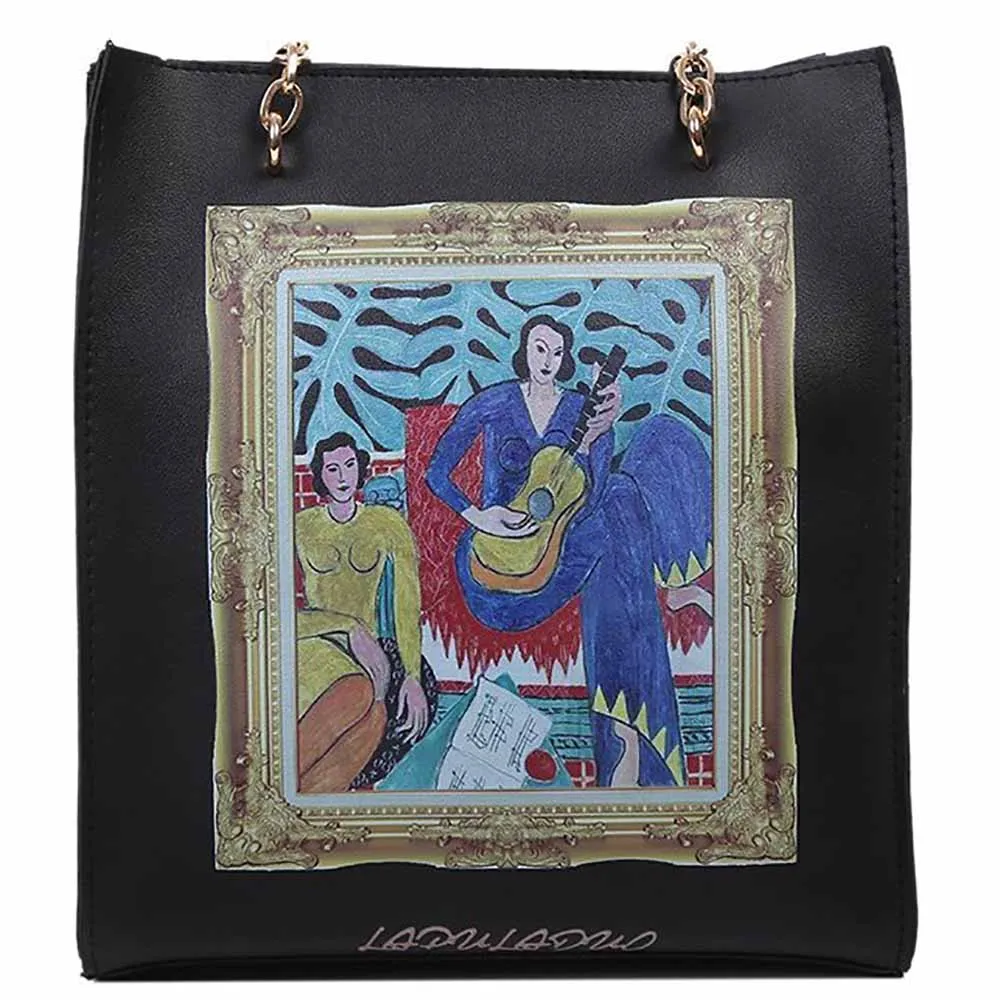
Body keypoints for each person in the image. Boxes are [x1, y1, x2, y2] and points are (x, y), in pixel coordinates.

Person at [426, 315, 712, 787]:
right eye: (539, 349)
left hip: (565, 552)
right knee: (620, 510)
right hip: (497, 570)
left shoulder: (581, 409)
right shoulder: (495, 402)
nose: (547, 361)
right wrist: (478, 515)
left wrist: (599, 437)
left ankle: (622, 740)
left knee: (628, 483)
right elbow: (437, 471)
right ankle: (631, 743)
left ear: (566, 359)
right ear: (523, 349)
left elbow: (590, 498)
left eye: (557, 353)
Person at [295, 432, 430, 792]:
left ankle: (305, 800)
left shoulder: (387, 524)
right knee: (358, 693)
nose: (342, 477)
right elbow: (276, 615)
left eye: (349, 465)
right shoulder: (301, 527)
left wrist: (413, 676)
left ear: (361, 468)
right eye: (332, 469)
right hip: (316, 642)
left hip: (370, 650)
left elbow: (407, 605)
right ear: (320, 476)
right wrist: (348, 626)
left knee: (379, 716)